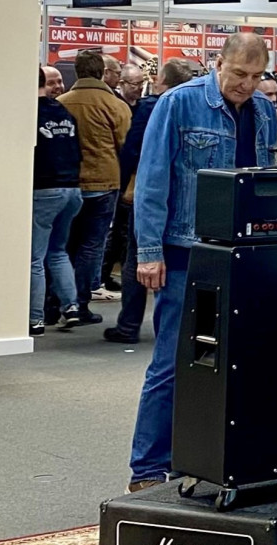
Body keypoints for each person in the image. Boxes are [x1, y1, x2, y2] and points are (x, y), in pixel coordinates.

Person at [127, 33, 277, 492]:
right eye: (239, 74)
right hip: (184, 251)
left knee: (230, 363)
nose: (247, 85)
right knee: (173, 362)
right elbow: (152, 181)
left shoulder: (264, 111)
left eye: (256, 76)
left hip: (243, 254)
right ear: (218, 63)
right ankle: (147, 468)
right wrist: (149, 253)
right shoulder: (178, 103)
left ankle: (199, 459)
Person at [105, 58, 196, 345]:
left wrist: (122, 186)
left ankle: (129, 324)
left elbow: (135, 150)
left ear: (160, 81)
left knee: (138, 256)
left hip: (148, 194)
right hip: (187, 202)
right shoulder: (196, 109)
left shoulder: (151, 107)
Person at [58, 49, 130, 329]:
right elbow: (126, 145)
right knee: (91, 245)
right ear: (101, 72)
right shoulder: (114, 105)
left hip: (69, 183)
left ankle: (59, 303)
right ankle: (81, 303)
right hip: (104, 182)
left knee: (63, 246)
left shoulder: (62, 102)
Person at [31, 65, 83, 337]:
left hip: (44, 190)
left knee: (35, 258)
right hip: (73, 190)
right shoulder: (64, 112)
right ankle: (71, 307)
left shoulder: (30, 113)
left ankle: (35, 320)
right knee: (58, 251)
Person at [100, 64, 153, 295]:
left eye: (142, 83)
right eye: (134, 84)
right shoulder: (116, 106)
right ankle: (103, 276)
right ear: (121, 83)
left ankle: (107, 276)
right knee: (118, 233)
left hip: (132, 181)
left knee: (122, 234)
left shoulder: (141, 107)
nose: (139, 88)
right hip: (121, 180)